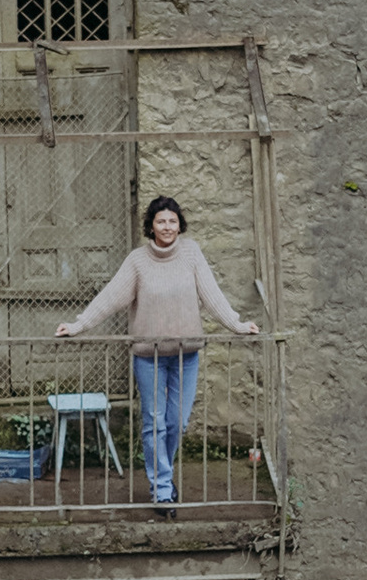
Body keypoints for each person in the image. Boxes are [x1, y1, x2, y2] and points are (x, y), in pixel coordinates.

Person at [58, 194, 259, 508]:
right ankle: (162, 488)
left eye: (172, 221)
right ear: (151, 227)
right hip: (148, 357)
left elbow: (212, 295)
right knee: (154, 423)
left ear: (180, 225)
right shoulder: (138, 261)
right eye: (161, 221)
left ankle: (163, 476)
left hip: (186, 355)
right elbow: (110, 297)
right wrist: (78, 325)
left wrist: (237, 324)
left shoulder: (191, 253)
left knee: (177, 422)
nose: (167, 226)